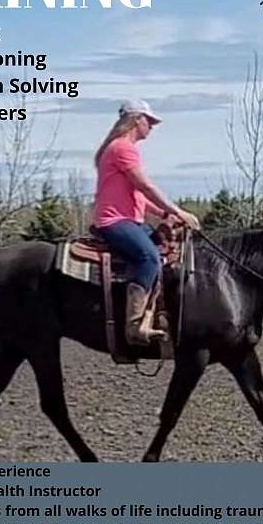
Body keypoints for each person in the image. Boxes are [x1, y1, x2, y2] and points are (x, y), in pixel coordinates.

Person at [92, 100, 200, 346]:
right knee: (149, 257)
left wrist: (164, 215)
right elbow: (145, 186)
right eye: (148, 121)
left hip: (129, 220)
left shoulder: (117, 148)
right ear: (135, 120)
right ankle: (134, 326)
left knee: (165, 253)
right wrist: (177, 211)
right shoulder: (122, 149)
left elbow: (138, 196)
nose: (151, 126)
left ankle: (156, 315)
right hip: (115, 221)